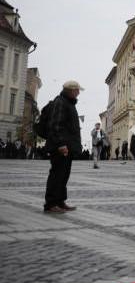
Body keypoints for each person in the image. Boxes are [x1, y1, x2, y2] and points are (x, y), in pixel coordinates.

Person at [43, 81, 83, 213]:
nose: (78, 93)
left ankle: (60, 201)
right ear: (71, 90)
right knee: (56, 175)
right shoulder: (60, 102)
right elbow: (56, 125)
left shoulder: (69, 103)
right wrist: (61, 144)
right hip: (60, 147)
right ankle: (50, 203)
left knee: (63, 175)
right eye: (77, 90)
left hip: (68, 147)